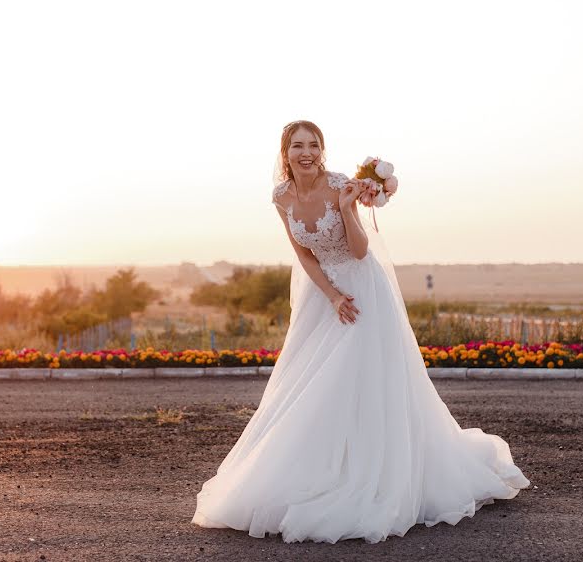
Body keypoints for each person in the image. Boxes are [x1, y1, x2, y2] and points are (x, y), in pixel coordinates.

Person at [190, 120, 530, 544]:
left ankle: (373, 470)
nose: (306, 152)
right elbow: (305, 256)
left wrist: (349, 208)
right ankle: (315, 468)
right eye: (297, 146)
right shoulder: (281, 197)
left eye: (314, 145)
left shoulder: (340, 186)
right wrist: (331, 296)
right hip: (324, 294)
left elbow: (358, 250)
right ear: (285, 154)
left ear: (323, 151)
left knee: (363, 377)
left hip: (363, 290)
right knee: (308, 380)